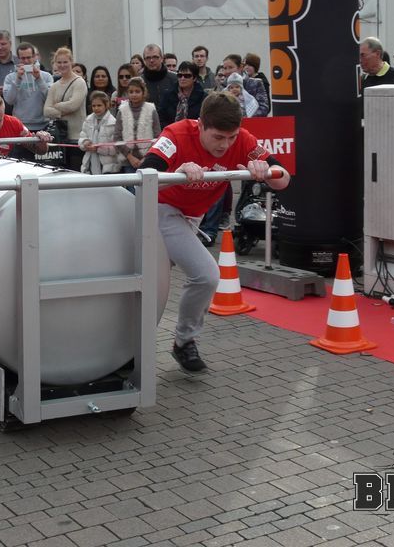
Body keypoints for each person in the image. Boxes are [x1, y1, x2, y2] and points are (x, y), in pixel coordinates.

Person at [140, 92, 290, 372]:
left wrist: (266, 170)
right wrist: (178, 172)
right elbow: (143, 175)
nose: (225, 145)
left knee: (159, 282)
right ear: (200, 125)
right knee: (205, 275)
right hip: (160, 211)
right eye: (218, 137)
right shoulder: (176, 134)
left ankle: (172, 342)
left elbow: (284, 178)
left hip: (192, 217)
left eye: (231, 137)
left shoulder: (243, 140)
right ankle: (178, 341)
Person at [3, 42, 54, 159]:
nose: (26, 61)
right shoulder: (10, 77)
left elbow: (49, 98)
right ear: (18, 58)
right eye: (23, 58)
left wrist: (38, 79)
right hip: (21, 127)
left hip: (43, 126)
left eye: (29, 57)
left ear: (34, 57)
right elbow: (9, 100)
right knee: (22, 161)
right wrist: (18, 79)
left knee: (44, 162)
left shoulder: (46, 76)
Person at [43, 47, 88, 171]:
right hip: (60, 137)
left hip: (77, 136)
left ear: (71, 62)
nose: (62, 65)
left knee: (76, 171)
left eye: (65, 62)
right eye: (59, 62)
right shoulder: (54, 86)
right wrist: (63, 110)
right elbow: (46, 111)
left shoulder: (79, 82)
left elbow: (74, 105)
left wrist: (56, 105)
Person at [113, 76, 160, 176]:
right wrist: (130, 157)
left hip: (147, 159)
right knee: (131, 185)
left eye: (137, 91)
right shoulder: (122, 110)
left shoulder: (151, 109)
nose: (134, 94)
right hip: (128, 160)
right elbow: (117, 137)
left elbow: (157, 137)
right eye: (131, 92)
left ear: (143, 92)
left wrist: (146, 157)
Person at [157, 60, 206, 128]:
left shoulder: (203, 97)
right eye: (180, 75)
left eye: (187, 76)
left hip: (194, 132)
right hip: (170, 131)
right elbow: (161, 117)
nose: (182, 78)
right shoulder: (168, 95)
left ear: (194, 78)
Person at [79, 91, 118, 174]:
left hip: (107, 167)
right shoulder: (88, 120)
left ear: (106, 105)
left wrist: (98, 149)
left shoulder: (113, 123)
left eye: (99, 105)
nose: (96, 108)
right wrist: (85, 142)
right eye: (94, 106)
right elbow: (82, 137)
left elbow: (116, 148)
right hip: (89, 163)